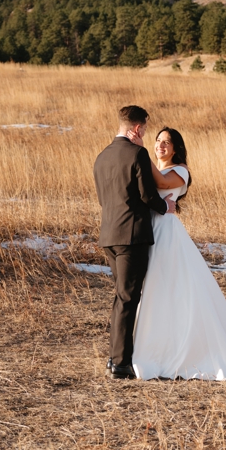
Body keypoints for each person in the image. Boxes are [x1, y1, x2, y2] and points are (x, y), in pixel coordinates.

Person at [130, 127, 226, 381]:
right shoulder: (154, 168)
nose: (160, 145)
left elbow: (162, 184)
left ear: (176, 148)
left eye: (167, 142)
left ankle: (183, 348)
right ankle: (154, 341)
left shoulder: (180, 171)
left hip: (167, 233)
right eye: (158, 140)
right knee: (153, 286)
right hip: (149, 230)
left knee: (172, 284)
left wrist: (140, 152)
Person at [92, 105, 169, 380]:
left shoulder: (102, 156)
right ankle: (121, 363)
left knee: (121, 296)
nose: (145, 134)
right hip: (131, 236)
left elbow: (103, 199)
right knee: (127, 298)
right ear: (137, 128)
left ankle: (115, 359)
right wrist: (166, 206)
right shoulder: (137, 154)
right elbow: (147, 195)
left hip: (109, 235)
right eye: (145, 130)